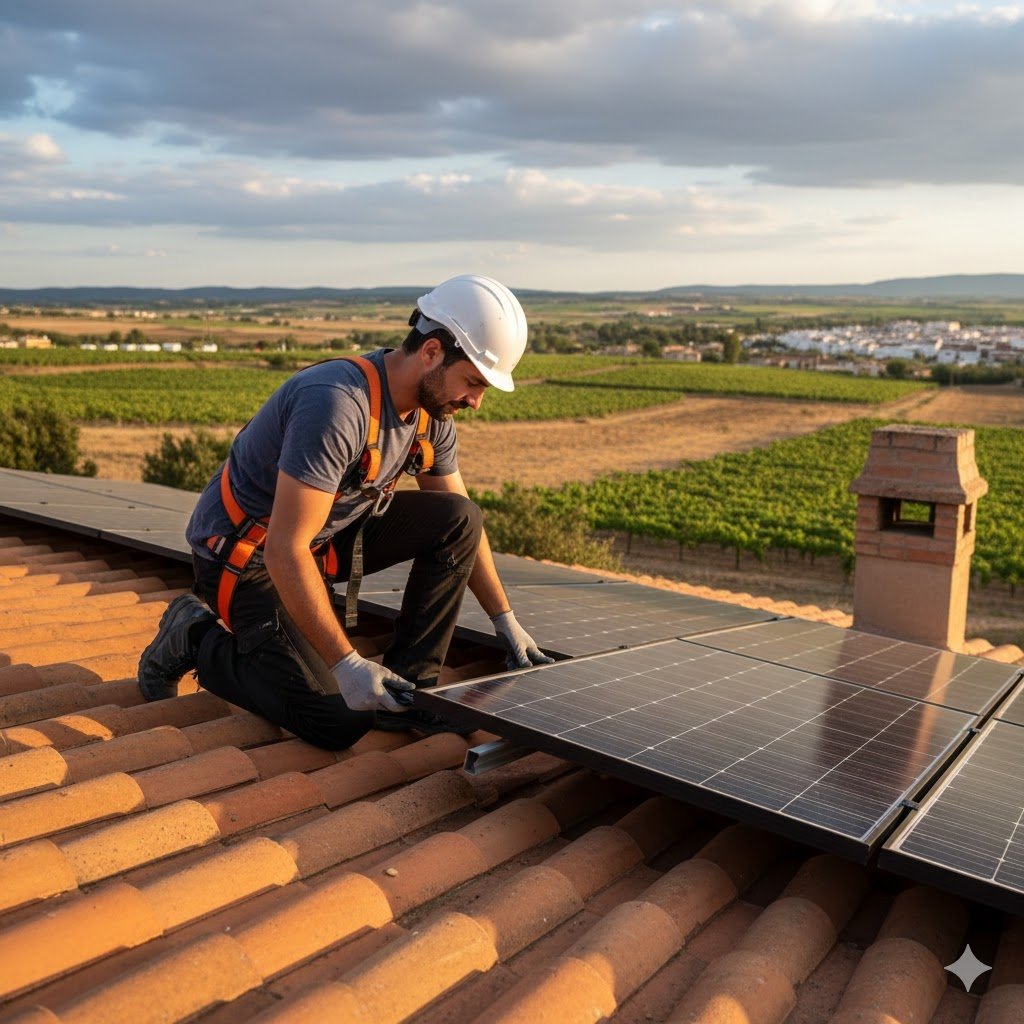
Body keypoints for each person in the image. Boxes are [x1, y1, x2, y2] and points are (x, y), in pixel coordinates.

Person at [137, 274, 552, 750]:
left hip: (318, 541)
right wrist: (347, 665)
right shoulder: (337, 404)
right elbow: (284, 551)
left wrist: (504, 619)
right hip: (246, 556)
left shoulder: (431, 415)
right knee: (336, 720)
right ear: (433, 352)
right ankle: (192, 636)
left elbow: (464, 524)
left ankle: (411, 688)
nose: (476, 401)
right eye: (474, 382)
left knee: (460, 517)